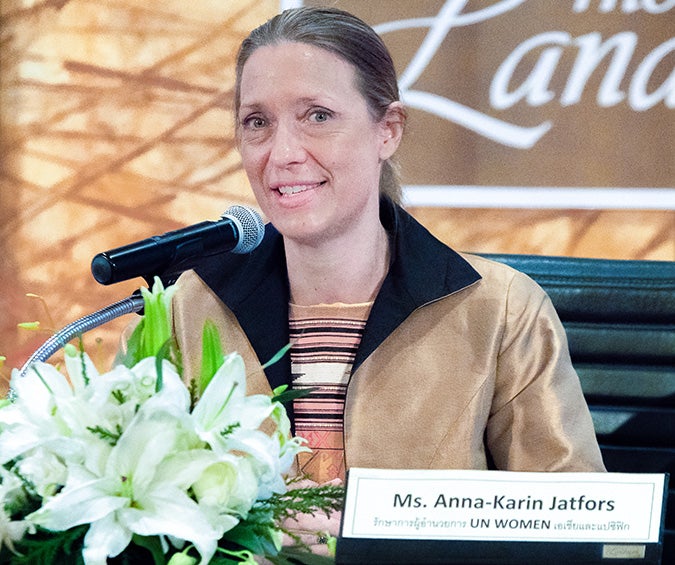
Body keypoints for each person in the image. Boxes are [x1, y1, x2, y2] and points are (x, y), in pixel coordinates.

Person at [170, 4, 605, 552]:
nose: (282, 154)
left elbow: (575, 523)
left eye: (317, 116)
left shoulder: (499, 309)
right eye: (257, 122)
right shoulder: (188, 305)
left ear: (388, 130)